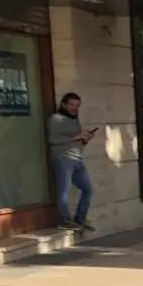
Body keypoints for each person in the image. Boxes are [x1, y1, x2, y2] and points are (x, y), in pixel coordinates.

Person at [47, 92, 95, 231]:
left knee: (88, 189)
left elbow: (77, 140)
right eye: (72, 104)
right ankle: (64, 220)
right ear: (63, 104)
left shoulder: (75, 120)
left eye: (77, 105)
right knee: (64, 191)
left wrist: (85, 139)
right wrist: (77, 137)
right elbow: (53, 140)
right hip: (63, 158)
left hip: (77, 158)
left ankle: (79, 218)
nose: (75, 108)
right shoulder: (55, 119)